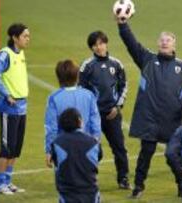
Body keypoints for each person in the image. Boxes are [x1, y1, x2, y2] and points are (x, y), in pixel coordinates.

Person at [115, 12, 182, 198]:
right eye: (162, 40)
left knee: (173, 155)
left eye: (168, 40)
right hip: (149, 119)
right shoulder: (147, 59)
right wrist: (123, 25)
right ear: (158, 43)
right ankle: (138, 187)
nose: (164, 42)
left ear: (174, 45)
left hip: (172, 121)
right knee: (145, 153)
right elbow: (131, 43)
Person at [79, 30, 130, 189]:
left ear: (106, 43)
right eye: (95, 45)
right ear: (92, 48)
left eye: (101, 43)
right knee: (93, 149)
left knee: (119, 148)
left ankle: (123, 179)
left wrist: (117, 106)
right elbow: (82, 90)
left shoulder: (116, 64)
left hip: (112, 113)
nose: (99, 47)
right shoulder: (87, 66)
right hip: (93, 115)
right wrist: (90, 111)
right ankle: (88, 179)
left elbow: (124, 86)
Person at [0, 23, 30, 194]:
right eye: (25, 36)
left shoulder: (21, 53)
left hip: (22, 107)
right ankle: (0, 184)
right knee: (7, 148)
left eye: (28, 36)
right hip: (9, 108)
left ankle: (8, 181)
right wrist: (6, 95)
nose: (28, 39)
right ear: (15, 37)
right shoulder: (5, 55)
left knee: (16, 148)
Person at [44, 60, 101, 168]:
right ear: (77, 76)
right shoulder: (89, 95)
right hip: (86, 146)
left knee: (65, 179)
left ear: (59, 77)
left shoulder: (54, 98)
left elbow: (51, 128)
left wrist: (49, 150)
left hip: (63, 148)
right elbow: (96, 122)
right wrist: (96, 142)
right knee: (87, 179)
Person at [51, 108, 102, 203]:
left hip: (67, 194)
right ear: (79, 121)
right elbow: (98, 158)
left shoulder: (57, 143)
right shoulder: (94, 142)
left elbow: (57, 163)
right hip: (90, 194)